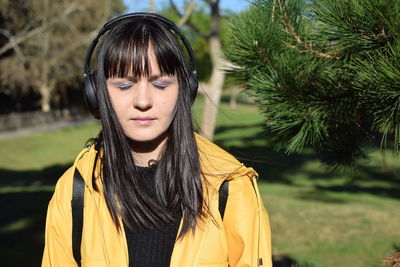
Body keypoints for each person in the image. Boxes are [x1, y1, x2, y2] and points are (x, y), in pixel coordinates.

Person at [42, 12, 272, 267]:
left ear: (185, 90)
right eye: (124, 85)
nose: (143, 101)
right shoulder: (75, 189)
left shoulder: (230, 186)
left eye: (161, 84)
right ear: (97, 94)